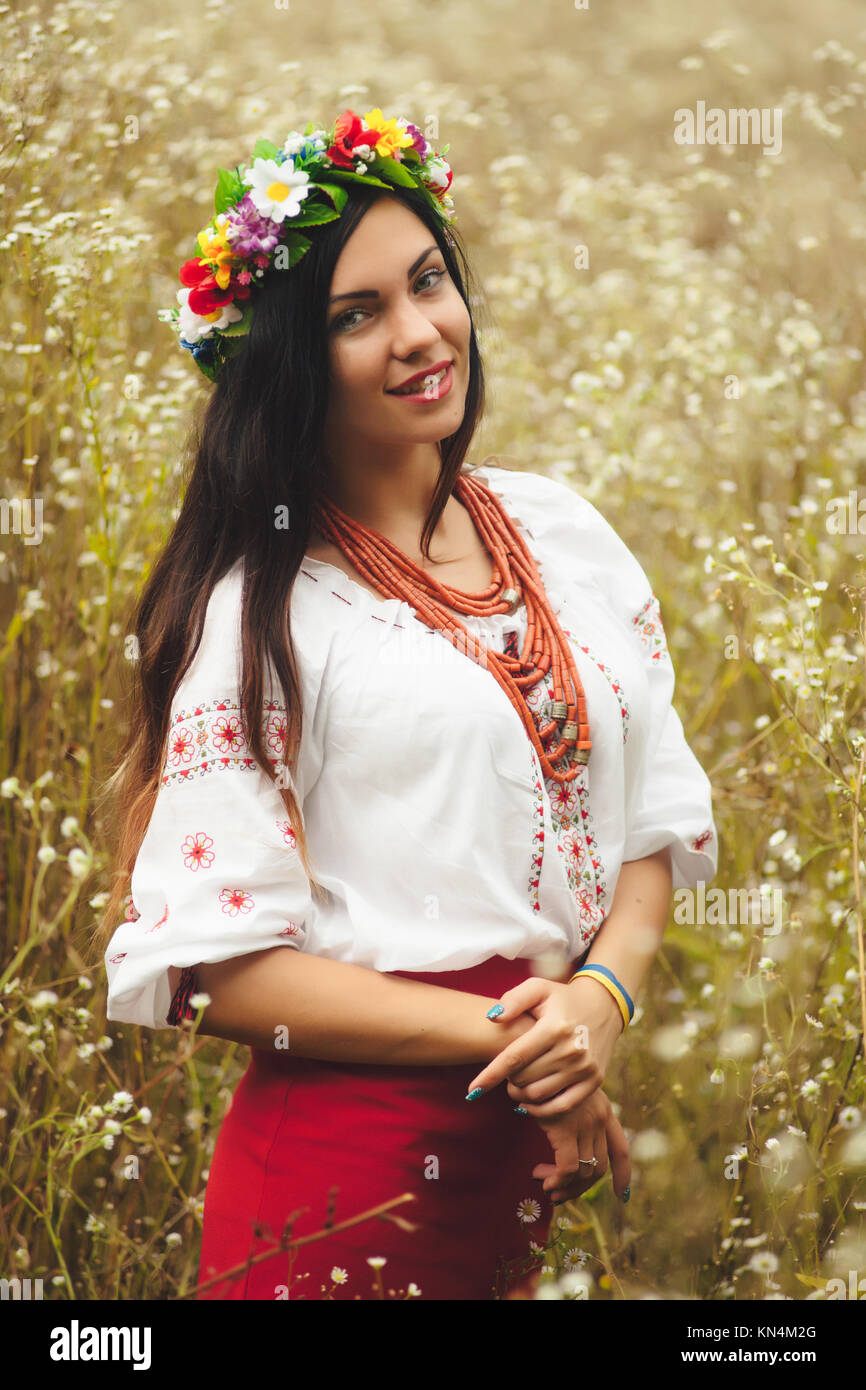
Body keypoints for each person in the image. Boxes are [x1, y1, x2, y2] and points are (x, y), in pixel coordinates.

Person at [96, 107, 719, 1301]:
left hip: (515, 1141)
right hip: (340, 1169)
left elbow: (650, 818)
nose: (420, 331)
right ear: (286, 361)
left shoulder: (554, 530)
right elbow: (222, 974)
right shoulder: (265, 610)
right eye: (354, 313)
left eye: (428, 281)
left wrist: (599, 997)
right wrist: (531, 1044)